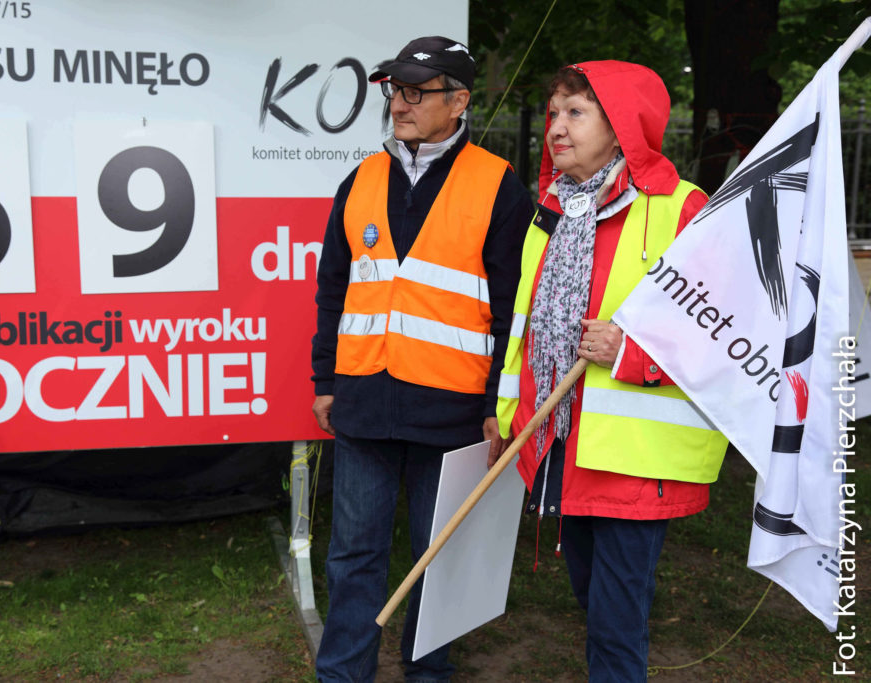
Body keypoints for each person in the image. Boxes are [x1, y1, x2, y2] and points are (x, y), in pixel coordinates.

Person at [494, 61, 728, 682]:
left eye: (575, 113)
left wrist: (630, 353)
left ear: (622, 123)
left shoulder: (683, 209)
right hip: (564, 444)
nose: (556, 128)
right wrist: (508, 416)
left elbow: (726, 333)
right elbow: (526, 326)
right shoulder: (552, 209)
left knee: (615, 624)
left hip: (639, 458)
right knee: (590, 599)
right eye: (553, 113)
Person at [310, 35, 532, 682]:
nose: (399, 104)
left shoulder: (498, 185)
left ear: (458, 102)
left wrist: (496, 402)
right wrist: (326, 379)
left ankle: (428, 672)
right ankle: (342, 674)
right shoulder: (360, 179)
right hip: (363, 402)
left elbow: (512, 306)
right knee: (353, 555)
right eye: (394, 91)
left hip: (453, 410)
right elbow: (333, 288)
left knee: (439, 557)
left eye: (415, 92)